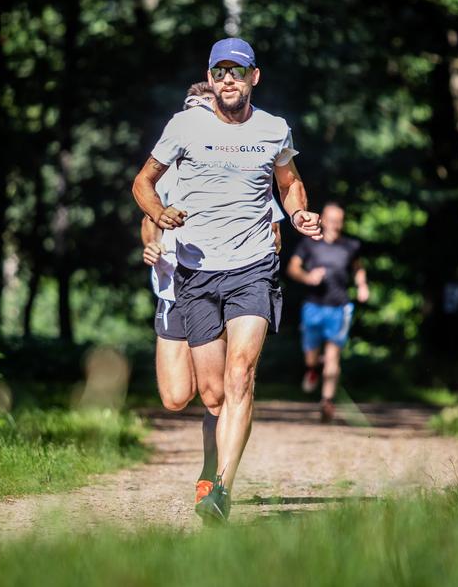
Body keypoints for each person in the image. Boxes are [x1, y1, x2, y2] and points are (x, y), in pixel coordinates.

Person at [133, 37, 322, 522]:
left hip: (253, 268)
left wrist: (298, 214)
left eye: (237, 71)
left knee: (242, 375)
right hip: (196, 272)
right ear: (211, 78)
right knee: (212, 394)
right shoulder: (184, 126)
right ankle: (211, 470)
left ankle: (221, 490)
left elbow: (289, 182)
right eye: (219, 72)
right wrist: (159, 213)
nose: (228, 80)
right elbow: (142, 183)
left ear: (254, 77)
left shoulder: (274, 129)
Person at [140, 78, 285, 509]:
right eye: (191, 109)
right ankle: (215, 472)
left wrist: (261, 265)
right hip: (175, 289)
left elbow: (273, 218)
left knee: (225, 386)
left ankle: (215, 479)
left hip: (232, 277)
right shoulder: (173, 160)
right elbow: (148, 216)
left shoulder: (237, 164)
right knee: (176, 397)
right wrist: (151, 242)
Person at [286, 202, 369, 423]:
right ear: (323, 220)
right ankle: (312, 368)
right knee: (312, 355)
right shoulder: (309, 244)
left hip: (340, 308)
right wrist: (308, 277)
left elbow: (358, 267)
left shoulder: (350, 246)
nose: (335, 225)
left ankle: (327, 402)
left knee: (333, 356)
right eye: (331, 220)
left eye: (339, 221)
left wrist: (362, 285)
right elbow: (292, 268)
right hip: (313, 306)